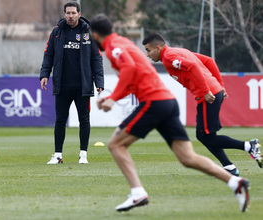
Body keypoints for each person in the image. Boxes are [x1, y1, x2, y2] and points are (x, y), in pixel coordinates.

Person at [90, 14, 250, 212]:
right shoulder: (123, 42)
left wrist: (112, 99)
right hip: (167, 102)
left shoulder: (114, 47)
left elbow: (129, 68)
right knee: (188, 158)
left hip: (154, 103)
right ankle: (236, 183)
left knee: (115, 145)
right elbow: (134, 75)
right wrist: (113, 96)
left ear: (95, 35)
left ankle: (137, 193)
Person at [142, 33, 262, 176]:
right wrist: (220, 85)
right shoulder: (179, 51)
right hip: (212, 91)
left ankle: (249, 146)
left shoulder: (168, 57)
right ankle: (229, 167)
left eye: (148, 50)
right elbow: (209, 60)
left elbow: (192, 66)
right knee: (206, 135)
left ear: (158, 47)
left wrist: (206, 91)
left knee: (205, 136)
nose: (147, 55)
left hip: (208, 95)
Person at [40, 2, 104, 164]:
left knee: (84, 119)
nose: (70, 16)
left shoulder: (89, 33)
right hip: (62, 85)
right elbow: (48, 55)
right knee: (60, 120)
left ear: (79, 14)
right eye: (67, 13)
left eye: (73, 13)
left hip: (83, 85)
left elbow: (96, 58)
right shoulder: (56, 33)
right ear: (64, 14)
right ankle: (57, 155)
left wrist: (99, 81)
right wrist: (44, 74)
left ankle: (83, 154)